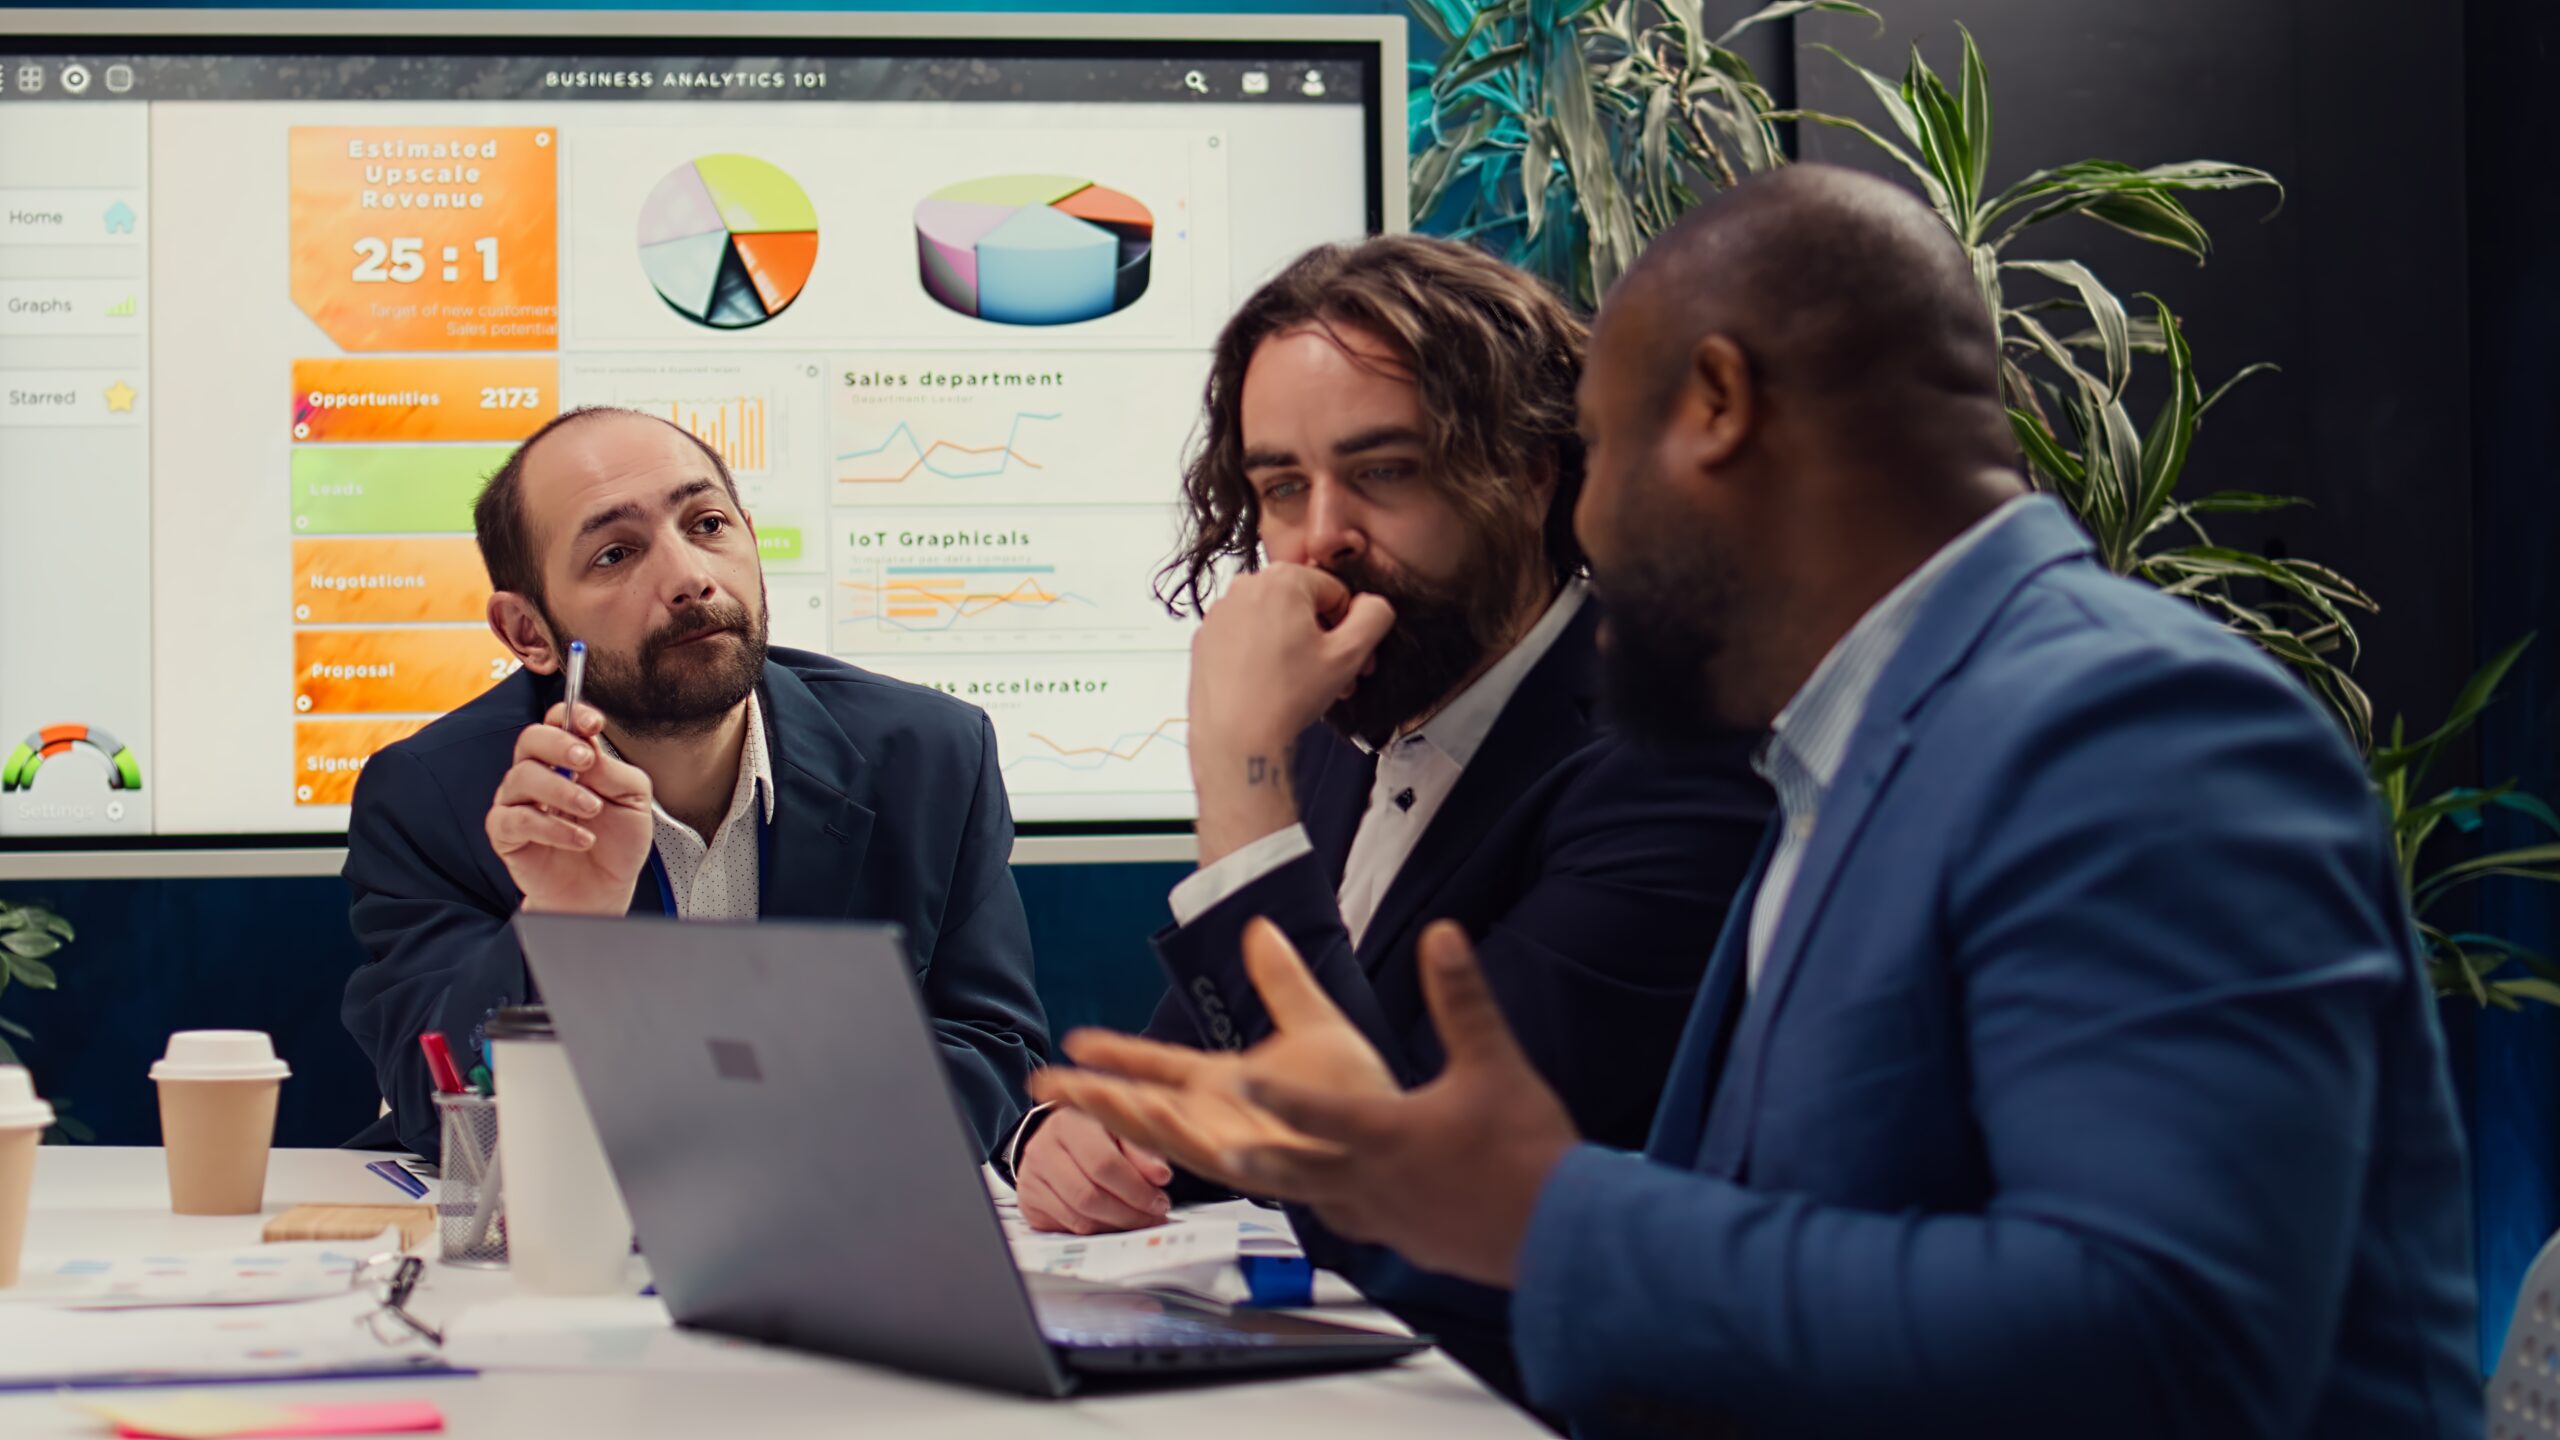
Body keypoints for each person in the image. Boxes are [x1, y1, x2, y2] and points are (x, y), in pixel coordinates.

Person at [1033, 166, 2481, 1437]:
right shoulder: (1858, 753)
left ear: (1716, 406)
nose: (1586, 524)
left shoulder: (2134, 727)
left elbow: (2163, 1339)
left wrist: (1546, 1218)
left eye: (1594, 454)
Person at [1007, 236, 1769, 1394]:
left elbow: (1395, 1182)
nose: (1320, 540)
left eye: (1387, 472)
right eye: (1278, 489)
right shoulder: (1346, 714)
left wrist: (1237, 770)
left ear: (1530, 474)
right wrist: (1077, 1143)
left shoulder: (1669, 766)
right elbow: (1199, 1077)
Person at [342, 407, 1048, 1162]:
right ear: (529, 633)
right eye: (615, 554)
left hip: (832, 1218)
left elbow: (996, 1054)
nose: (689, 578)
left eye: (707, 525)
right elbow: (437, 1108)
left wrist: (755, 1131)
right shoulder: (437, 795)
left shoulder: (929, 756)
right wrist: (558, 926)